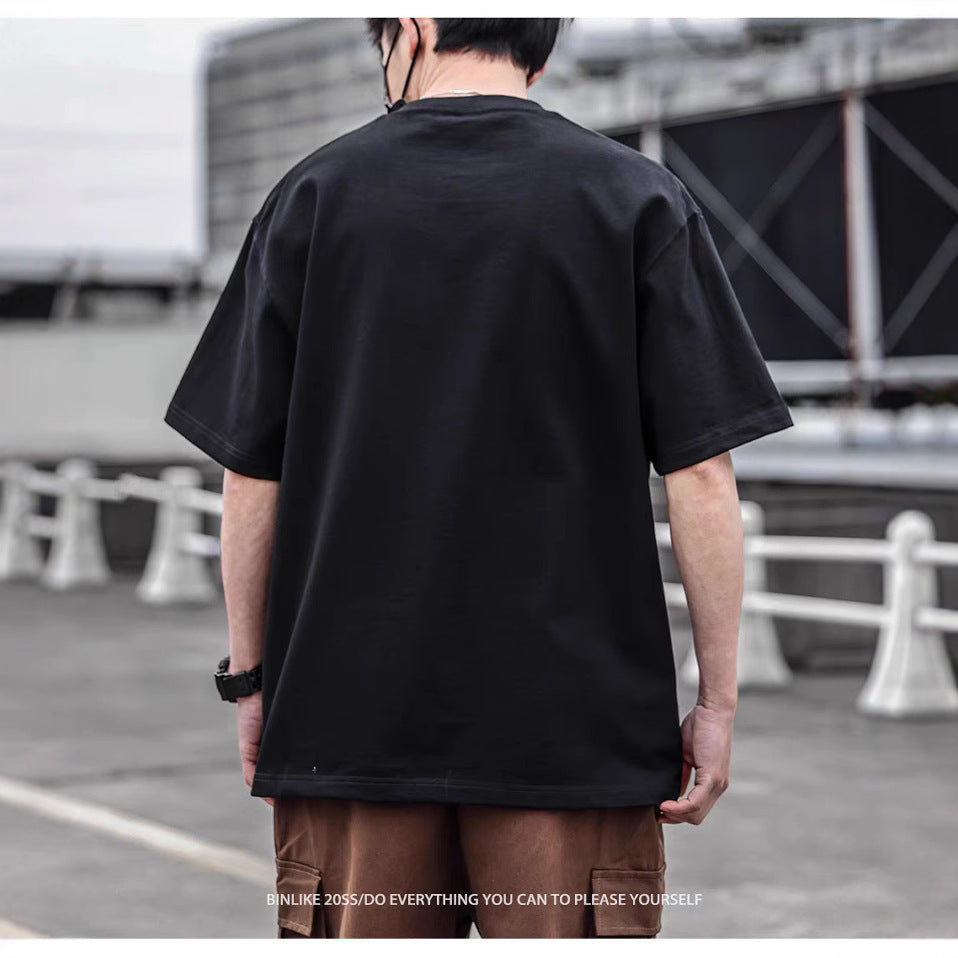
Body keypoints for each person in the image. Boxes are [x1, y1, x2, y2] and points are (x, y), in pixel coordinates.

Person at [164, 17, 794, 939]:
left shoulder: (313, 196)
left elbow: (252, 476)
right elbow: (701, 474)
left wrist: (251, 682)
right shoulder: (637, 197)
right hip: (576, 728)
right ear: (542, 43)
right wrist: (717, 704)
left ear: (413, 27)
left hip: (349, 718)